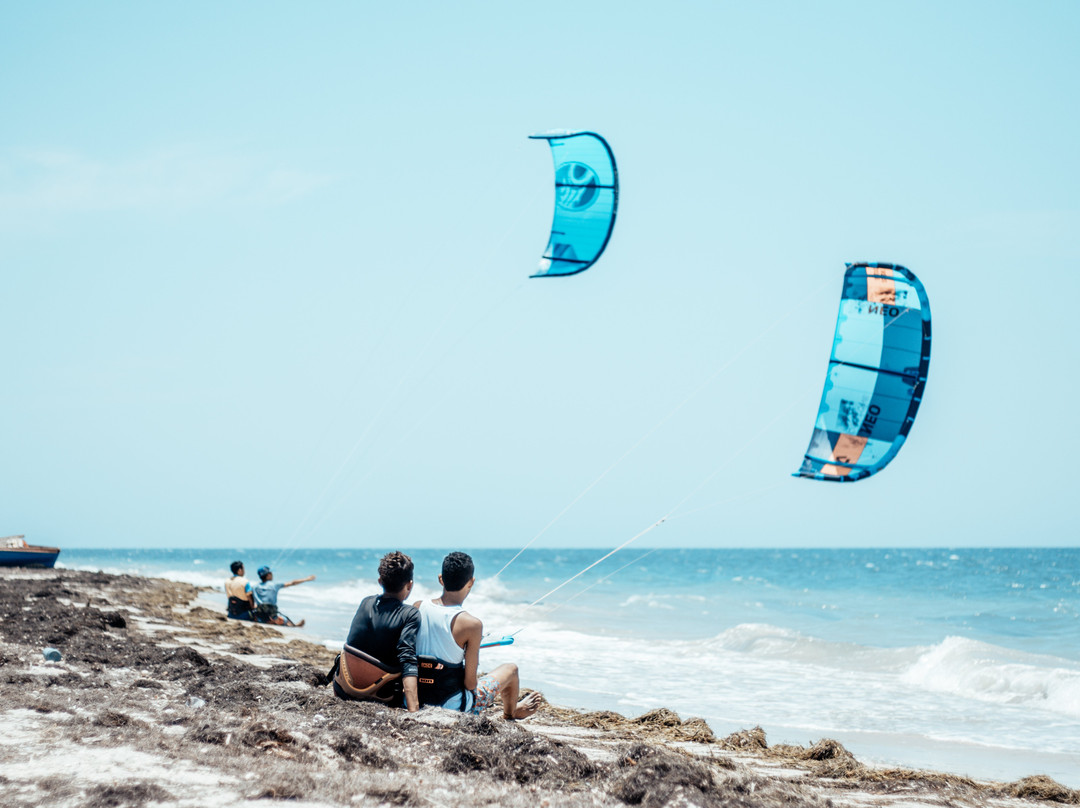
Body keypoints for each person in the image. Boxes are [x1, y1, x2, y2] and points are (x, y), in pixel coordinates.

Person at [414, 551, 542, 719]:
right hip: (453, 708)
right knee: (511, 669)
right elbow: (470, 684)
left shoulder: (417, 607)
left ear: (440, 579)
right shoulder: (471, 624)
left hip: (415, 699)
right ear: (471, 582)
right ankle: (509, 715)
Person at [331, 551, 420, 711]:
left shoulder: (365, 602)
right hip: (381, 696)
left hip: (342, 688)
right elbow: (408, 658)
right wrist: (414, 711)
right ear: (410, 585)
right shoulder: (410, 614)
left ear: (380, 581)